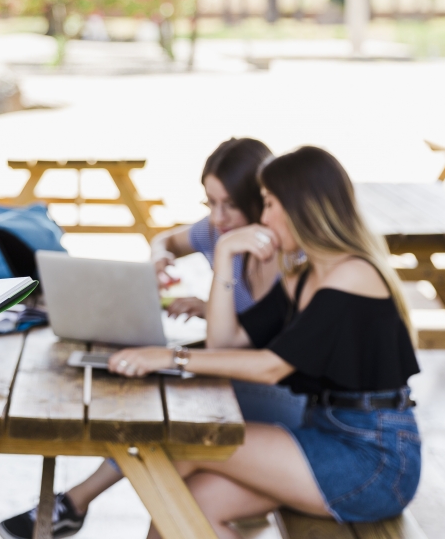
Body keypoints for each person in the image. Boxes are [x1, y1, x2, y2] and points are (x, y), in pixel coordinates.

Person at [0, 138, 307, 539]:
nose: (218, 217)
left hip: (280, 394)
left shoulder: (281, 256)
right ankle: (74, 503)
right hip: (231, 376)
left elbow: (239, 345)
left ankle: (74, 501)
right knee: (162, 424)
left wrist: (219, 288)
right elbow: (166, 240)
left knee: (170, 411)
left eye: (229, 204)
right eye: (209, 203)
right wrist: (160, 259)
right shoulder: (217, 233)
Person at [107, 146, 421, 538]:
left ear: (302, 206)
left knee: (187, 447)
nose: (265, 215)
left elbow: (271, 365)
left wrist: (170, 356)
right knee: (193, 503)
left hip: (373, 458)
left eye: (270, 203)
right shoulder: (303, 276)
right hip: (322, 433)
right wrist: (225, 254)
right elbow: (227, 343)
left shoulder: (352, 274)